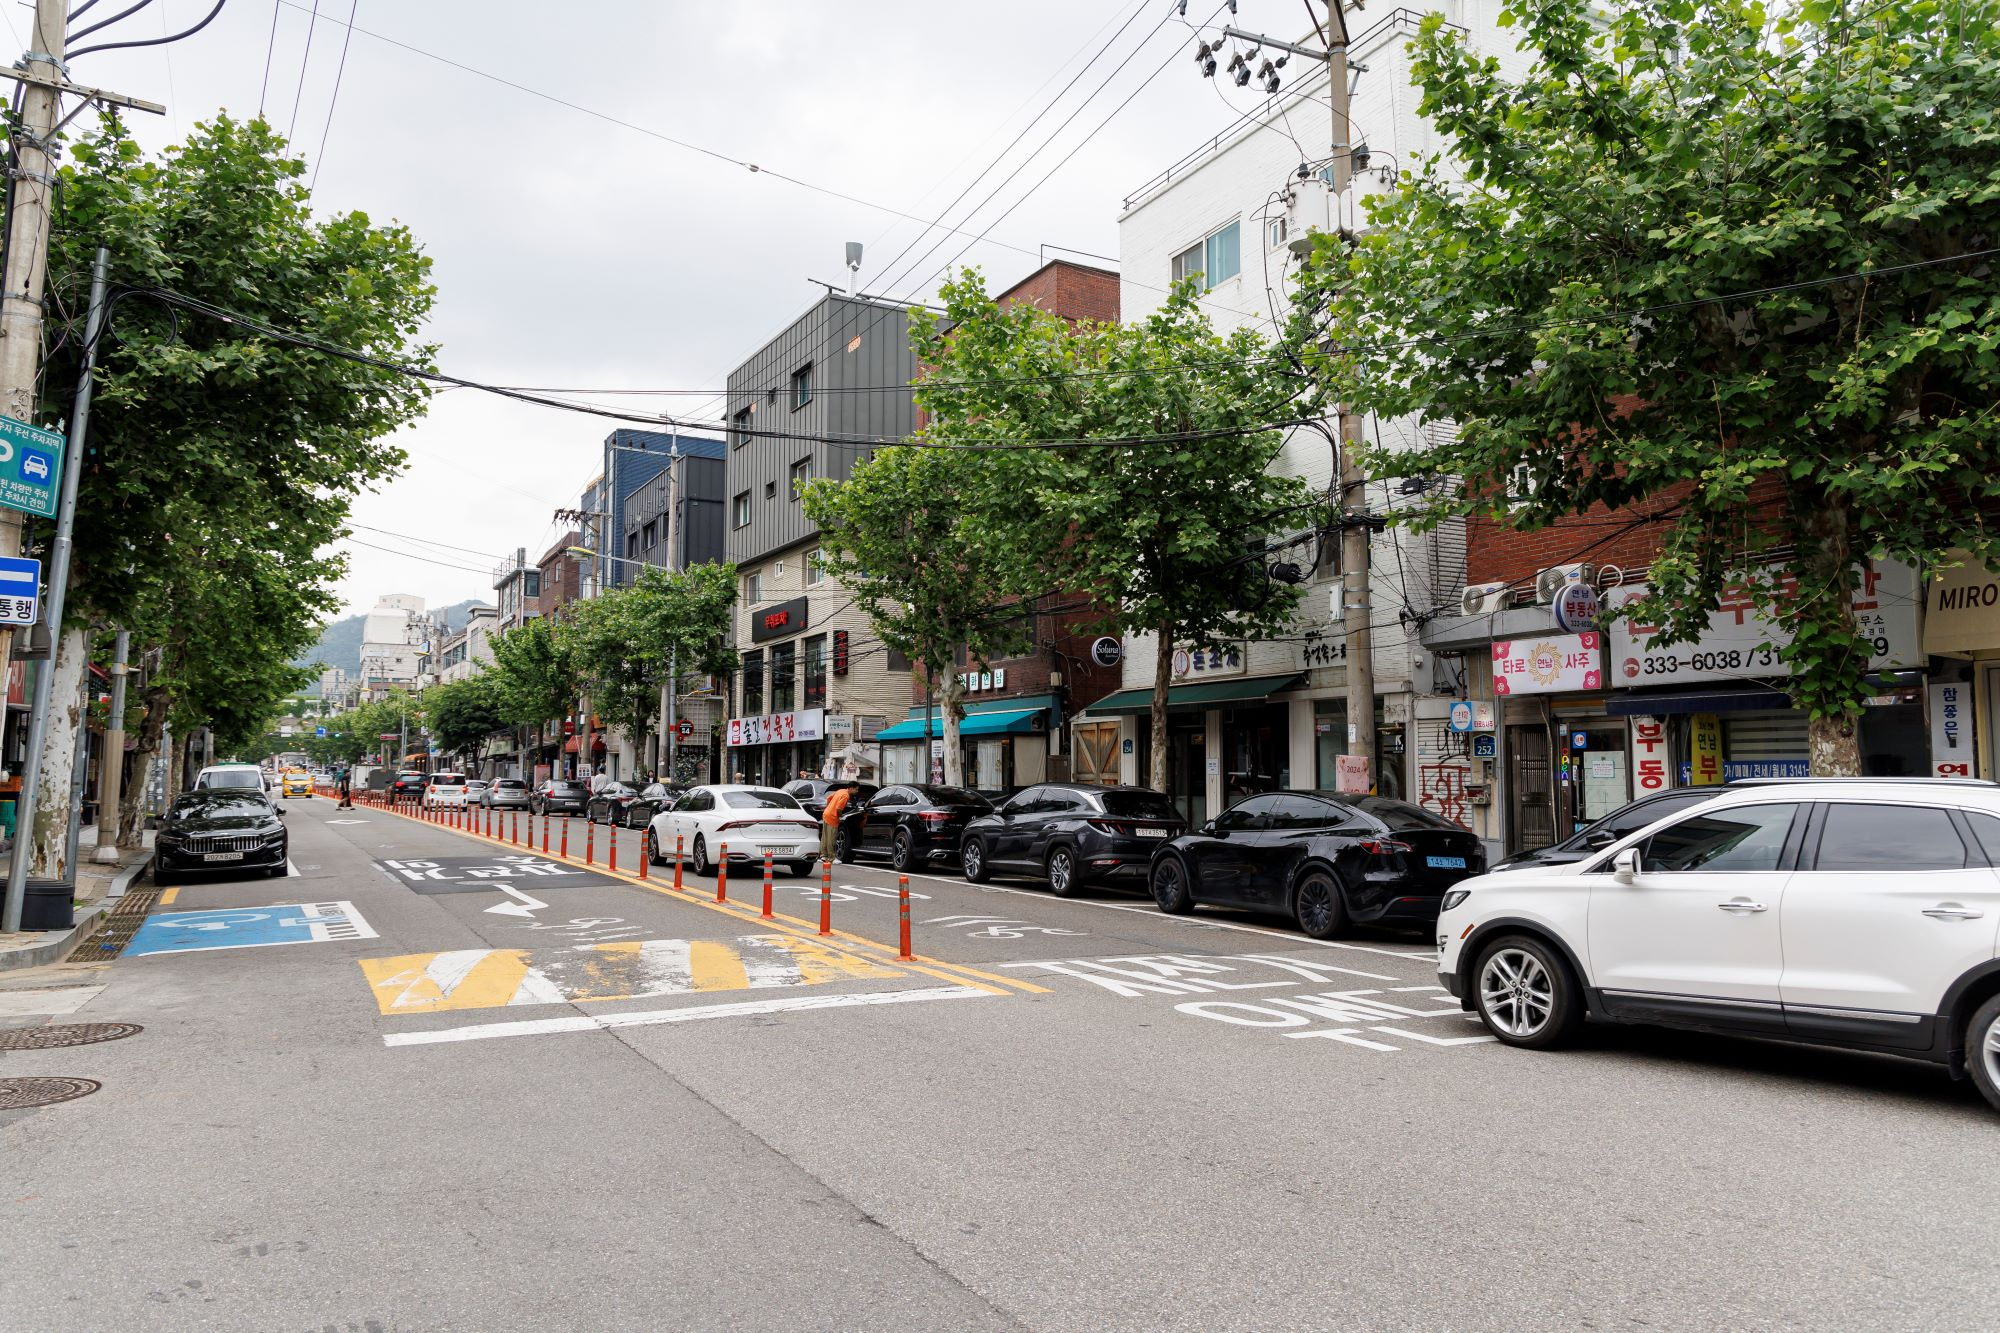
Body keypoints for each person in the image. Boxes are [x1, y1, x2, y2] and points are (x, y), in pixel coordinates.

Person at [820, 780, 857, 863]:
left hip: (826, 814)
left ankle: (823, 855)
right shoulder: (846, 795)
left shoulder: (841, 791)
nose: (857, 791)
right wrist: (841, 816)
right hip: (832, 817)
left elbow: (829, 798)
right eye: (856, 789)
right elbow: (839, 809)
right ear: (851, 788)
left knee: (825, 836)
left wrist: (829, 808)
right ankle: (831, 858)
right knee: (831, 838)